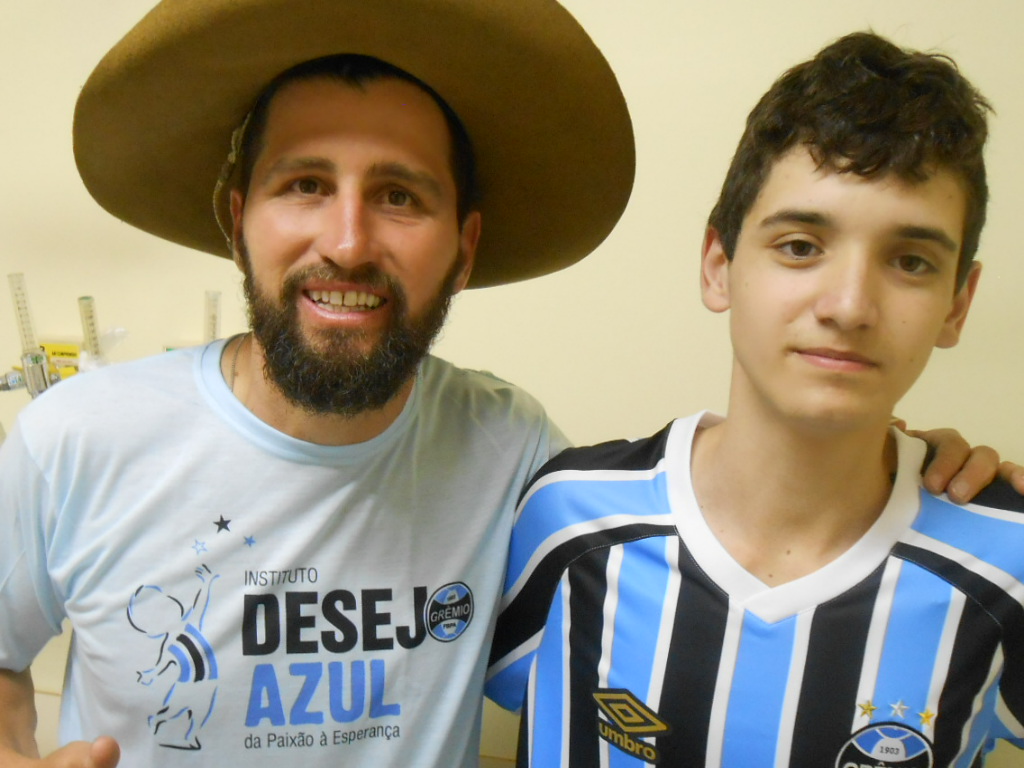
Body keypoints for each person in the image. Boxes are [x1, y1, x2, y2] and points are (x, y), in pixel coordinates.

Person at [0, 3, 1014, 765]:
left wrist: (929, 469)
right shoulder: (76, 438)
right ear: (237, 219)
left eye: (400, 196)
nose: (347, 241)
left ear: (464, 244)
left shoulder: (517, 460)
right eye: (304, 184)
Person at [487, 32, 1024, 767]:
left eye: (910, 261)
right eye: (801, 245)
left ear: (958, 303)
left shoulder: (1007, 560)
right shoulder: (568, 518)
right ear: (719, 266)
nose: (848, 305)